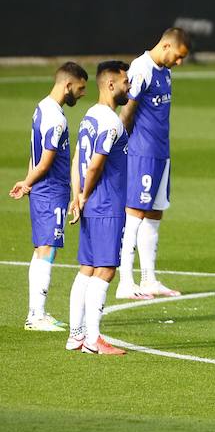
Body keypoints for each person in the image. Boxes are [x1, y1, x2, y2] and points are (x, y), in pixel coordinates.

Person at [11, 62, 88, 331]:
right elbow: (45, 162)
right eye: (80, 89)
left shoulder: (41, 108)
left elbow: (34, 155)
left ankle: (36, 312)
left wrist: (28, 182)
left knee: (42, 249)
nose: (81, 94)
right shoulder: (56, 119)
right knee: (47, 249)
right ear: (68, 85)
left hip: (41, 189)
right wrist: (27, 182)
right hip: (50, 190)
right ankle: (36, 315)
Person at [116, 28, 191, 300]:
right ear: (167, 45)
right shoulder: (141, 67)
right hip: (142, 153)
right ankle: (126, 281)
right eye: (179, 56)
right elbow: (128, 110)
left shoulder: (165, 71)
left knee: (155, 213)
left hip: (161, 152)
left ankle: (149, 279)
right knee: (134, 214)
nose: (179, 63)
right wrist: (119, 146)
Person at [66, 61, 132, 356]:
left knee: (87, 269)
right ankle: (93, 339)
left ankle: (76, 335)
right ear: (110, 84)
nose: (128, 87)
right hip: (106, 204)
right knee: (105, 270)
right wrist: (86, 192)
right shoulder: (110, 121)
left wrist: (77, 196)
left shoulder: (89, 116)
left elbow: (77, 158)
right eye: (125, 82)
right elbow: (94, 164)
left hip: (91, 203)